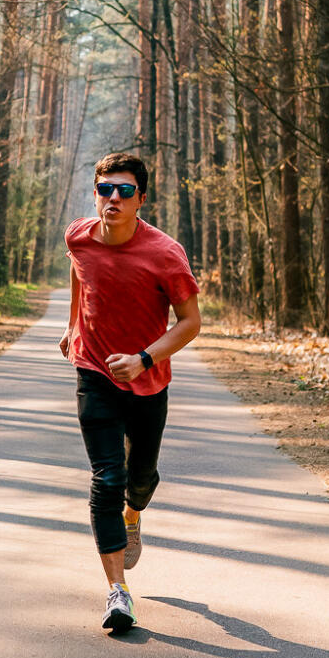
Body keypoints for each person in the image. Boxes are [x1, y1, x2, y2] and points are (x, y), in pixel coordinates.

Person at [60, 151, 201, 633]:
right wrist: (71, 327)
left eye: (124, 191)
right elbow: (80, 278)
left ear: (141, 198)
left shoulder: (164, 253)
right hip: (93, 370)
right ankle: (117, 591)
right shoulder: (79, 236)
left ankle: (134, 514)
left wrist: (144, 358)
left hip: (147, 380)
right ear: (95, 194)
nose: (113, 199)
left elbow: (190, 322)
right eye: (105, 190)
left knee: (140, 479)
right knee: (106, 478)